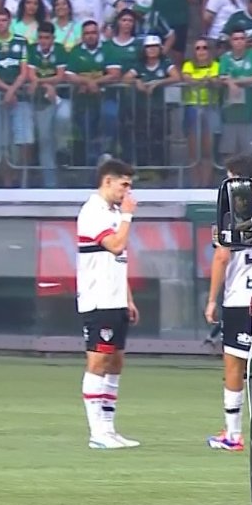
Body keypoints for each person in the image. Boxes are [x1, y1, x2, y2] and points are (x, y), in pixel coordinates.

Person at [204, 154, 252, 450]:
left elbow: (221, 256)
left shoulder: (233, 207)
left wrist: (211, 300)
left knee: (234, 363)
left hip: (241, 296)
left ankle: (233, 434)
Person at [77, 158, 141, 449]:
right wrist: (127, 216)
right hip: (98, 299)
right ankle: (96, 433)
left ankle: (109, 428)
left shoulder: (114, 213)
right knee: (98, 361)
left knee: (116, 362)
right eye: (124, 185)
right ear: (108, 181)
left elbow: (118, 259)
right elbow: (115, 245)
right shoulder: (93, 212)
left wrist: (128, 298)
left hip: (115, 299)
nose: (127, 192)